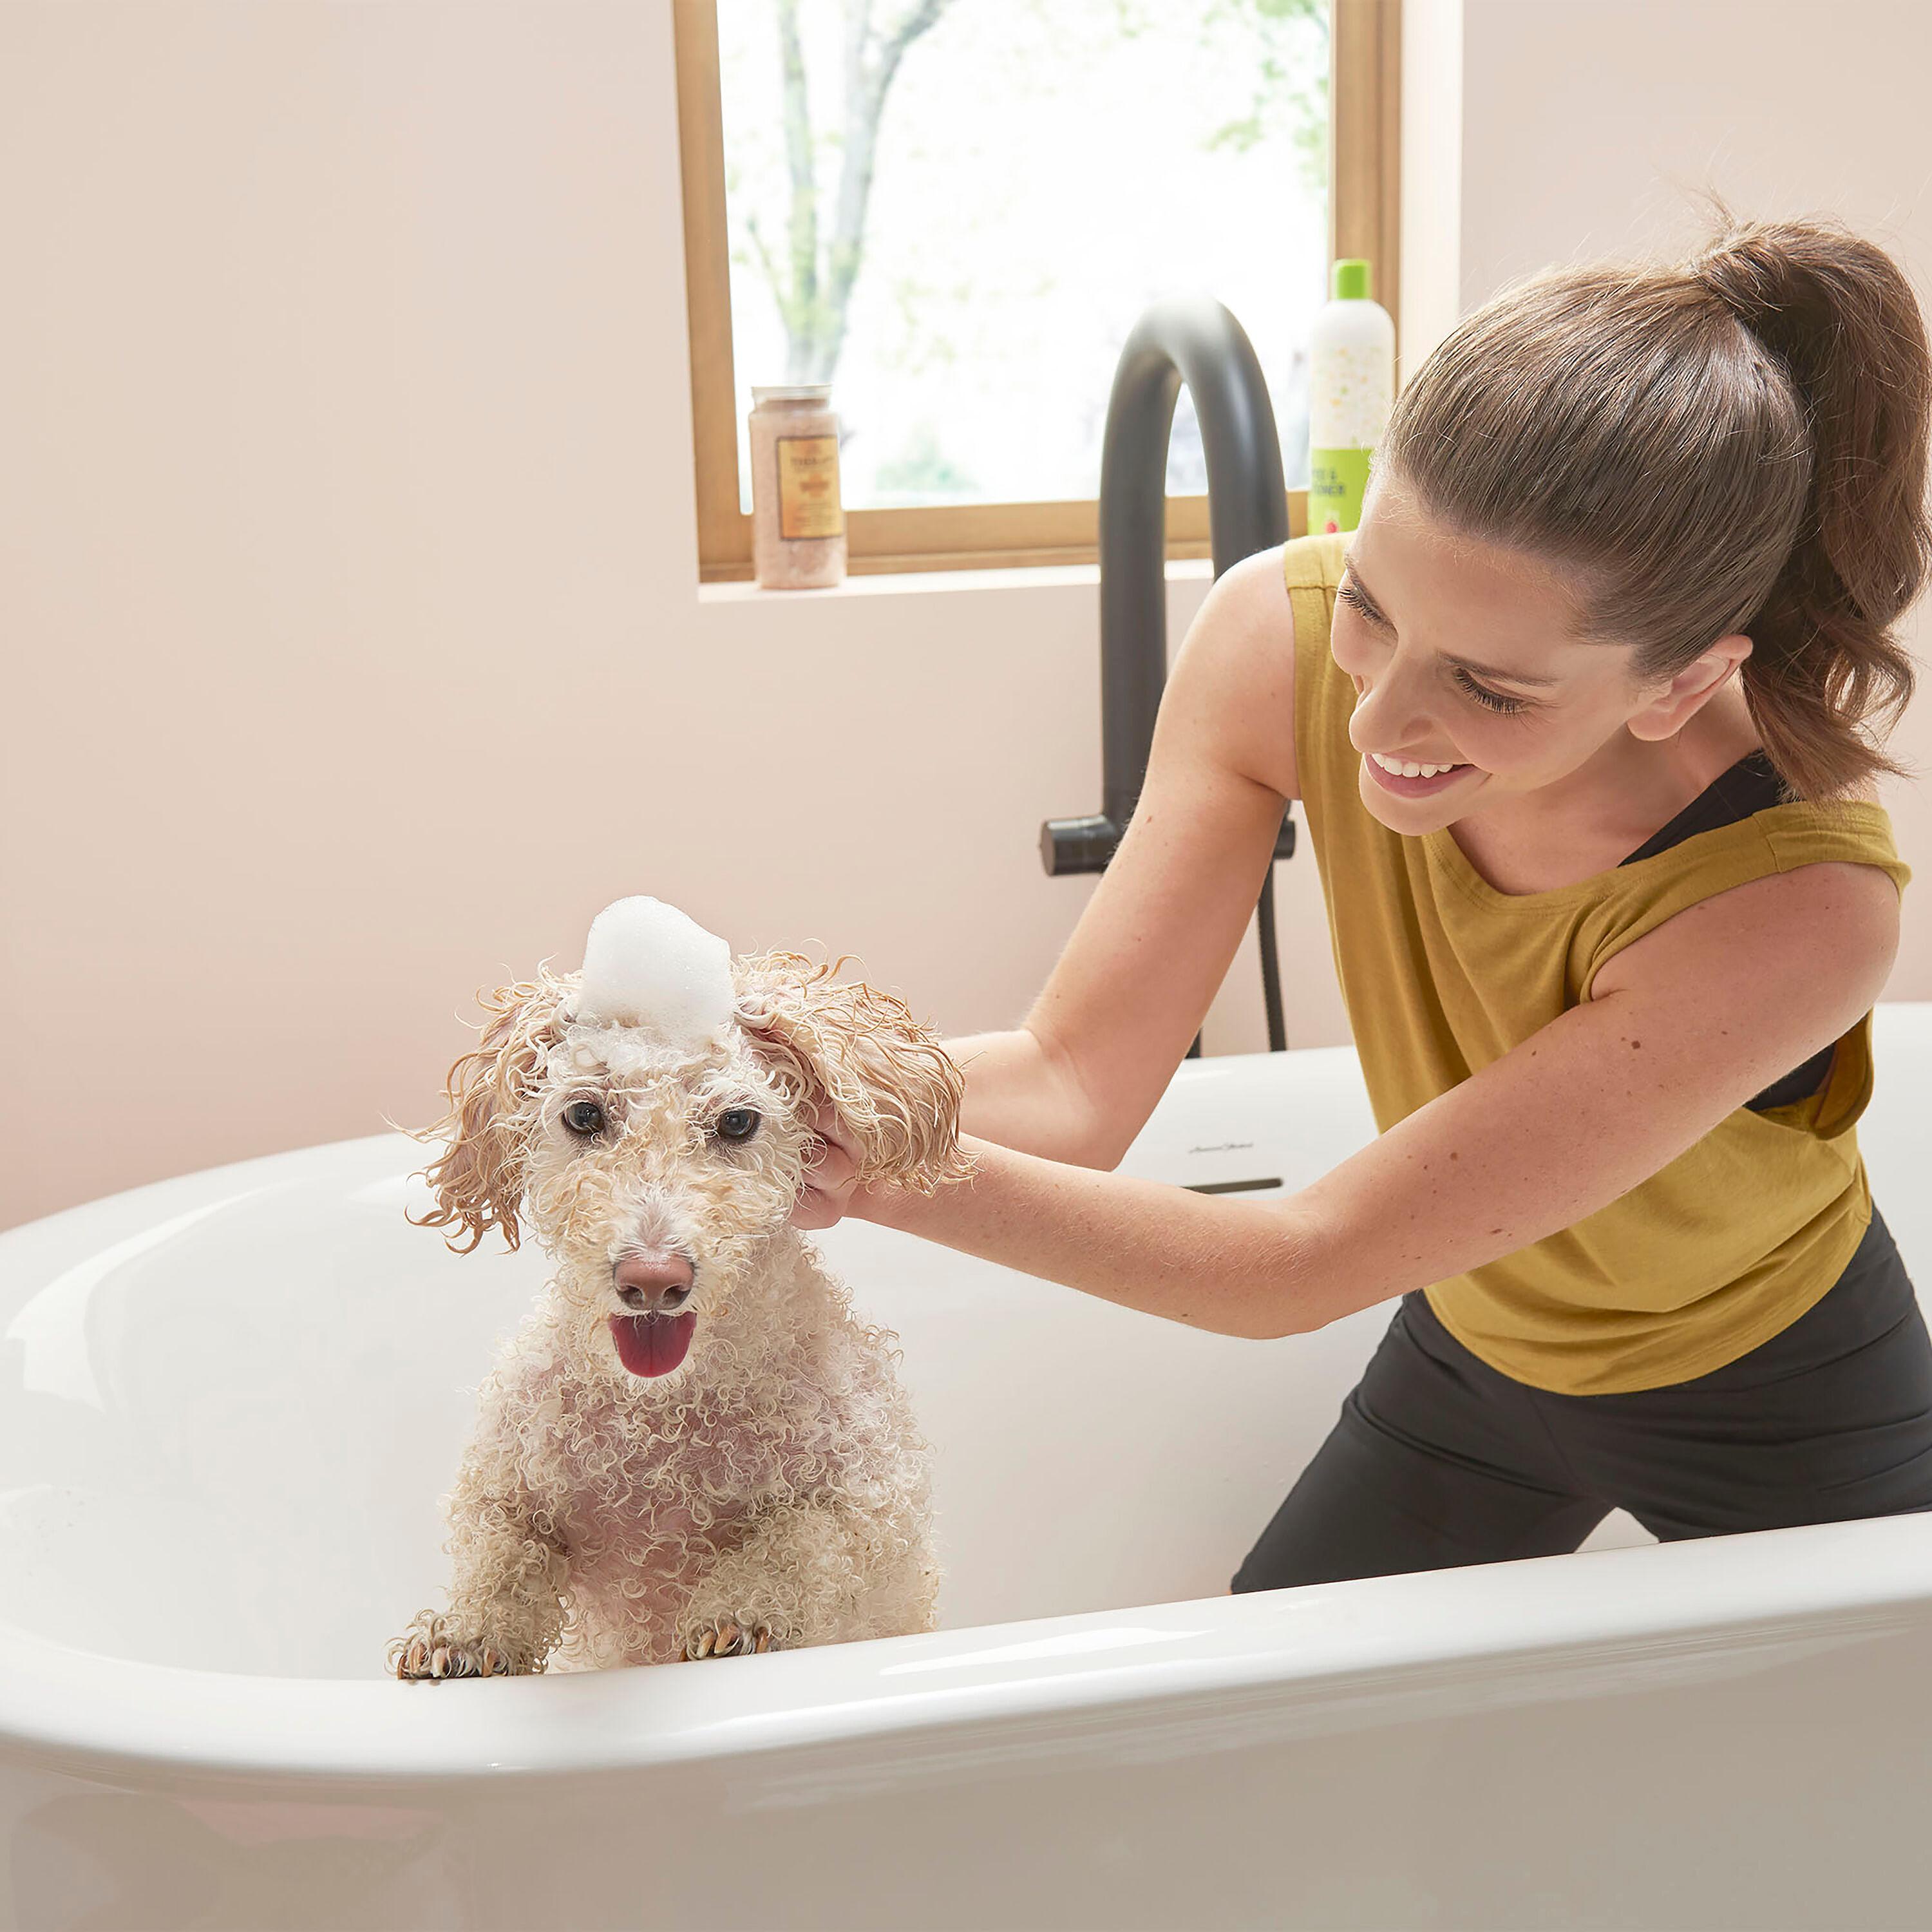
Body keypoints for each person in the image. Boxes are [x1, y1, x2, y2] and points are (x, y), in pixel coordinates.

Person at [792, 202, 1932, 1591]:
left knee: (1879, 1786)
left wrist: (863, 1173)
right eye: (1375, 606)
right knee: (1281, 1744)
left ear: (1684, 681)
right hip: (1474, 1343)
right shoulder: (1276, 637)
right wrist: (787, 1083)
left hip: (1774, 1391)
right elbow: (1071, 1080)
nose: (1378, 719)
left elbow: (1295, 1264)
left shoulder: (1800, 898)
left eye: (1492, 687)